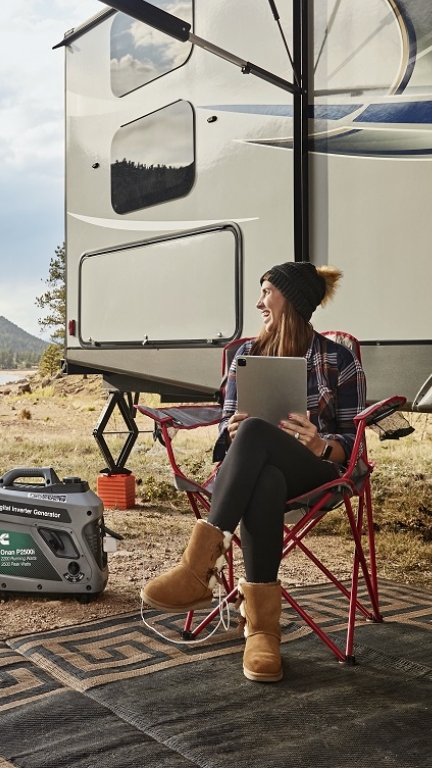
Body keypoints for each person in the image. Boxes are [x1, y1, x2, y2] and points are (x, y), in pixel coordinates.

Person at [141, 262, 365, 683]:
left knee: (260, 434)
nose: (260, 302)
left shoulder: (339, 360)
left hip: (316, 472)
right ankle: (262, 632)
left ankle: (196, 570)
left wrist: (320, 444)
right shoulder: (247, 357)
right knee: (265, 477)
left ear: (292, 300)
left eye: (267, 292)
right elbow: (227, 435)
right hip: (258, 475)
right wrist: (233, 428)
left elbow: (353, 444)